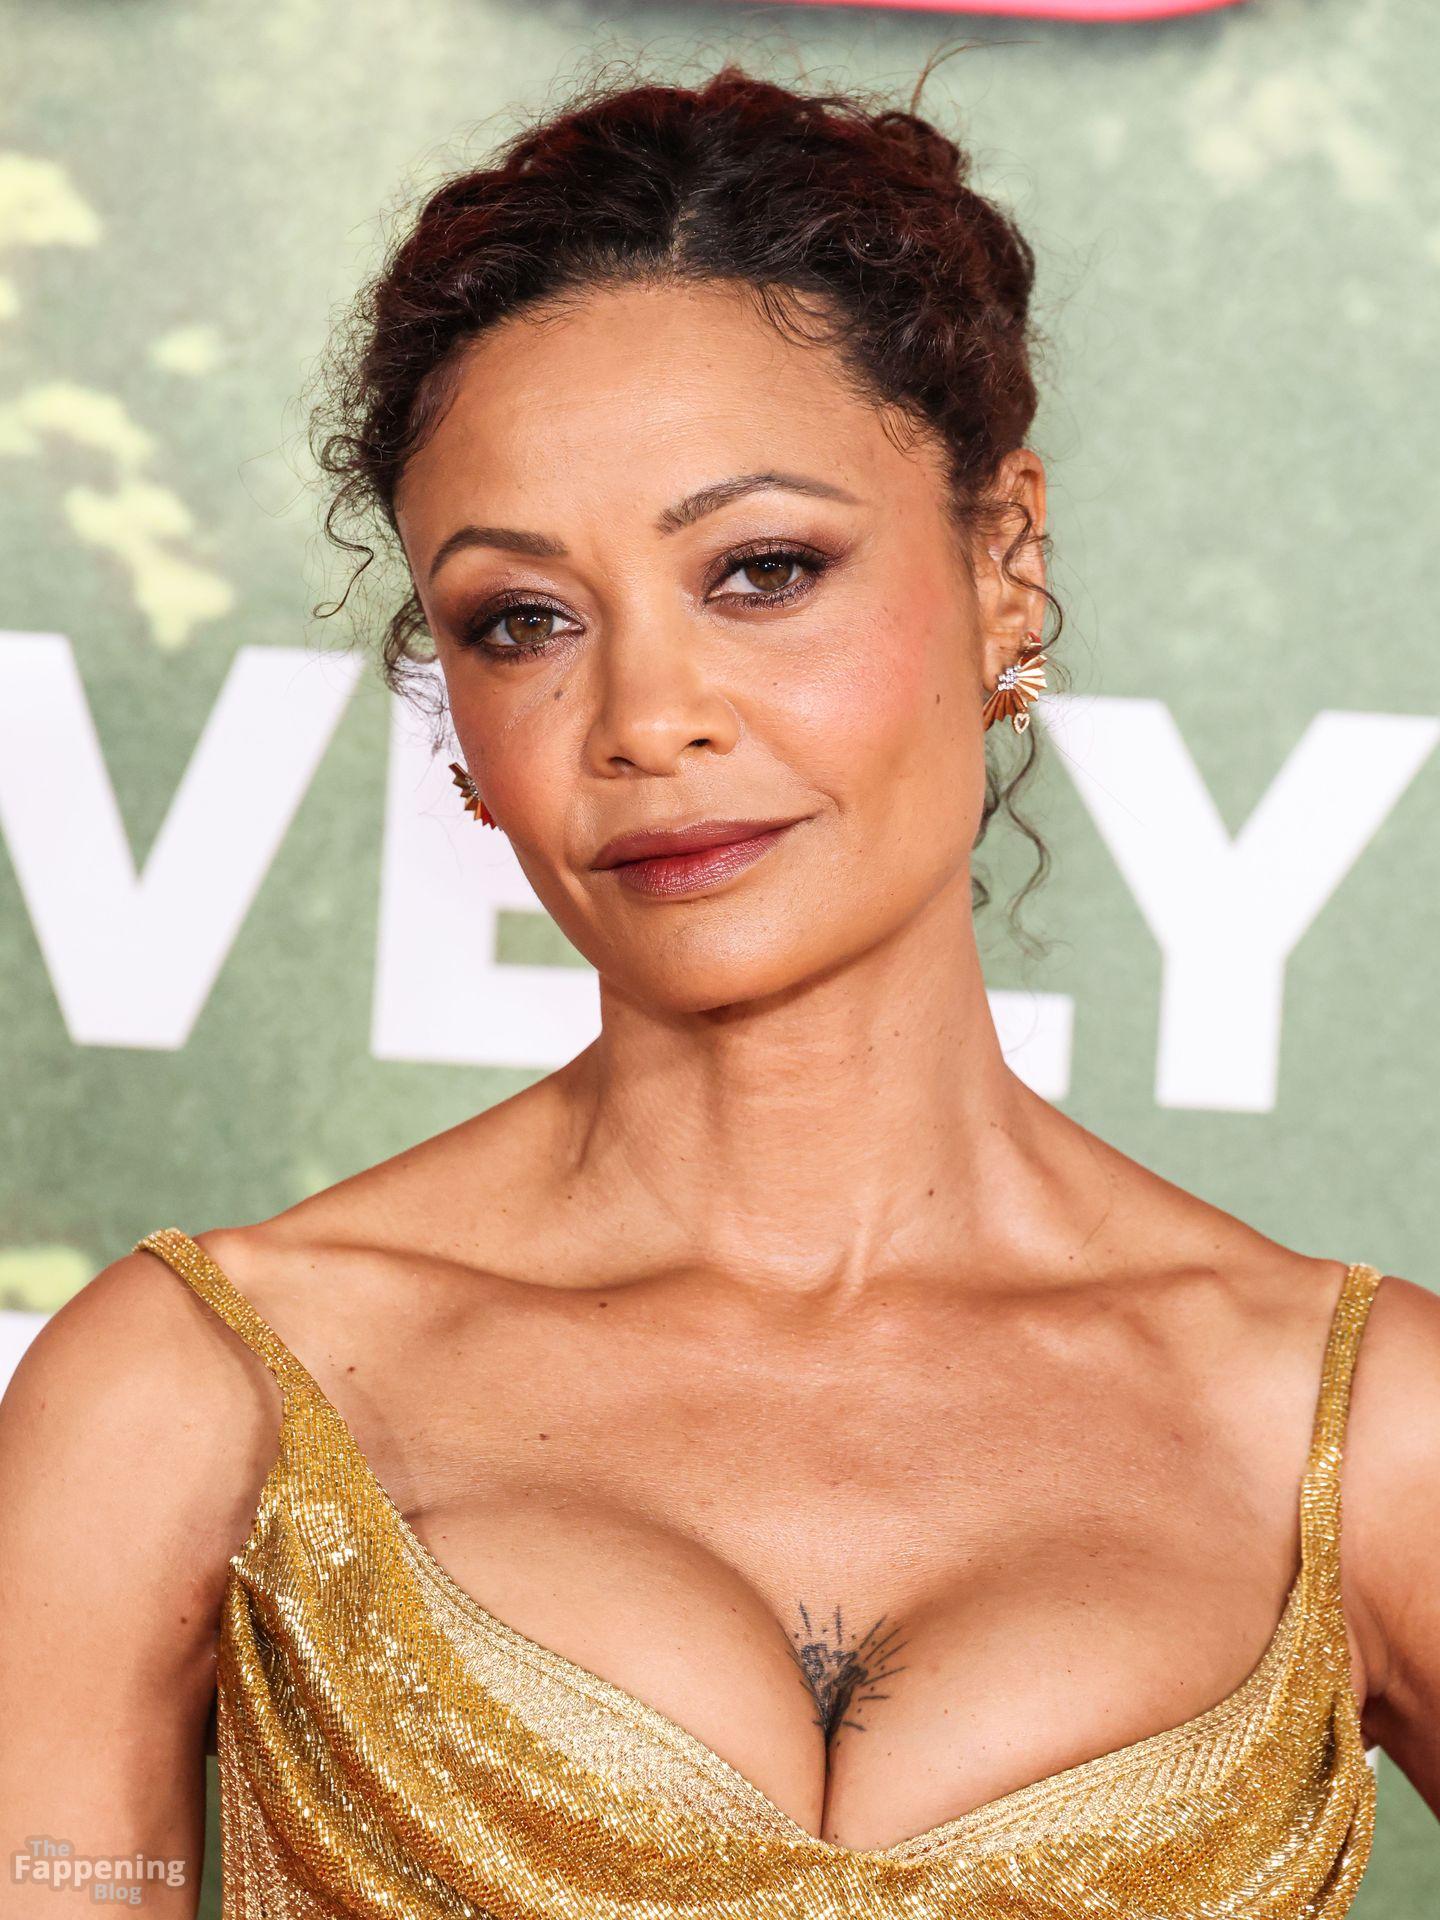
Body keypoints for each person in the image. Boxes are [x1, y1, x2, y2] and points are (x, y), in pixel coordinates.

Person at [2, 54, 1436, 1920]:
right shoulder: (193, 1393)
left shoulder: (1359, 1425)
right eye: (524, 620)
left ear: (1006, 563)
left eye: (762, 570)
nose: (646, 720)